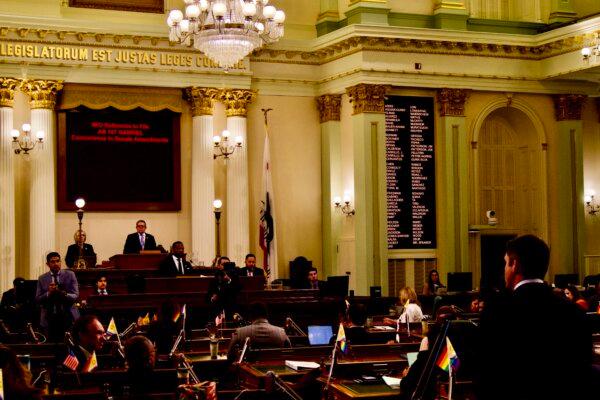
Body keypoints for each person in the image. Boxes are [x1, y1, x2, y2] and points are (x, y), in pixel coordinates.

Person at [476, 235, 593, 400]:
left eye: (505, 262)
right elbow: (582, 370)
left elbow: (485, 373)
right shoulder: (573, 312)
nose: (504, 269)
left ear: (514, 265)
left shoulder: (497, 311)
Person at [35, 252, 79, 342]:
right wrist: (48, 293)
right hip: (50, 318)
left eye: (58, 261)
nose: (56, 264)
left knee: (69, 346)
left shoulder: (70, 275)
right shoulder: (42, 278)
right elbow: (38, 299)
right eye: (52, 262)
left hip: (68, 317)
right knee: (50, 347)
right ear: (47, 264)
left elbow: (75, 295)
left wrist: (64, 294)